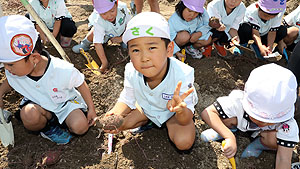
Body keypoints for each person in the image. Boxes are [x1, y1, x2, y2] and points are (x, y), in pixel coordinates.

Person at [102, 12, 198, 151]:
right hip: (146, 108)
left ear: (169, 49)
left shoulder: (182, 74)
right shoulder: (131, 70)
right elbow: (127, 98)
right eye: (135, 50)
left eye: (152, 48)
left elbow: (185, 117)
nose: (144, 57)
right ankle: (147, 120)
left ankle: (161, 122)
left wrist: (181, 110)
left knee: (184, 142)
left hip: (173, 114)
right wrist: (115, 114)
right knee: (119, 124)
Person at [201, 64, 299, 169]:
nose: (263, 123)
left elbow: (284, 159)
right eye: (258, 117)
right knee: (228, 117)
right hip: (240, 122)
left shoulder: (287, 124)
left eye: (269, 120)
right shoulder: (238, 102)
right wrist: (229, 137)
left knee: (277, 139)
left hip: (263, 134)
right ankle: (228, 129)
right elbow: (208, 113)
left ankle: (260, 143)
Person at [0, 15, 97, 144]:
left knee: (80, 127)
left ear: (34, 58)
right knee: (29, 115)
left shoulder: (61, 70)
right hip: (38, 105)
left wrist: (91, 108)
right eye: (4, 64)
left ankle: (65, 123)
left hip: (65, 104)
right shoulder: (15, 72)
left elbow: (80, 83)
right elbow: (10, 82)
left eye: (10, 64)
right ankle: (48, 129)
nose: (7, 69)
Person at [72, 0, 131, 73]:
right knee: (93, 34)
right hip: (106, 33)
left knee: (127, 47)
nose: (109, 16)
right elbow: (97, 43)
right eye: (104, 13)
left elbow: (130, 25)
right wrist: (104, 63)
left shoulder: (123, 8)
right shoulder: (98, 20)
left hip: (122, 31)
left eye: (112, 11)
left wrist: (122, 38)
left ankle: (123, 41)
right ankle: (85, 44)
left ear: (116, 4)